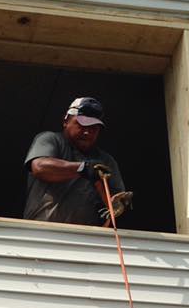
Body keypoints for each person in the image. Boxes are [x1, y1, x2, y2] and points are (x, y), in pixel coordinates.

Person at [23, 97, 130, 227]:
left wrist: (108, 196)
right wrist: (83, 169)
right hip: (42, 232)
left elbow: (115, 204)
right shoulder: (50, 139)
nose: (87, 132)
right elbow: (39, 167)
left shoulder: (106, 161)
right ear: (65, 121)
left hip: (87, 238)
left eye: (93, 128)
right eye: (82, 125)